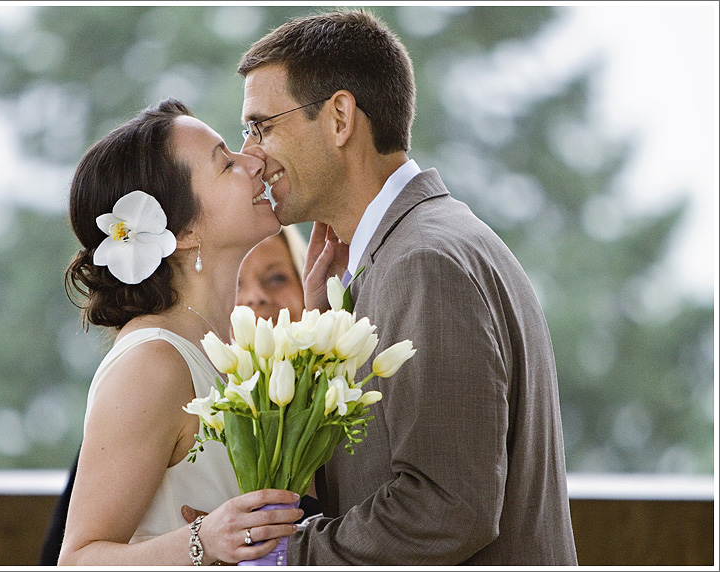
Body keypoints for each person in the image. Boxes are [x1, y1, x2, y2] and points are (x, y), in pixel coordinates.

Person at [235, 8, 578, 565]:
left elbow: (447, 507)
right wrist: (320, 324)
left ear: (340, 118)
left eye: (262, 126)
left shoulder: (424, 261)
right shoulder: (417, 247)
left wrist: (279, 556)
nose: (250, 153)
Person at [56, 98, 302, 566]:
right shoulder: (154, 363)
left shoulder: (232, 351)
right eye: (227, 162)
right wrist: (204, 539)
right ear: (184, 230)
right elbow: (77, 561)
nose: (255, 160)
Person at [38, 225, 312, 565]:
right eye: (236, 282)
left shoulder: (326, 405)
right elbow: (71, 559)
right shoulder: (154, 387)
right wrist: (204, 539)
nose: (256, 296)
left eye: (276, 279)